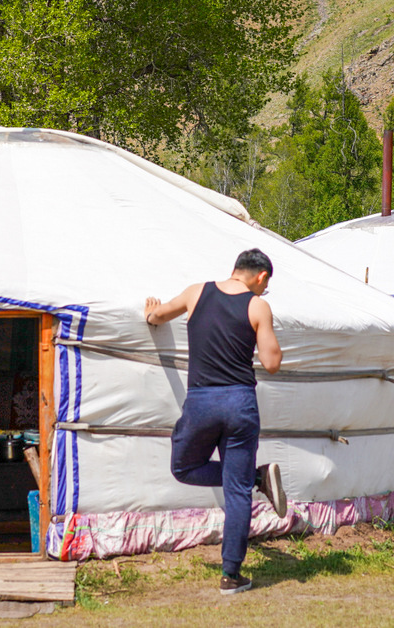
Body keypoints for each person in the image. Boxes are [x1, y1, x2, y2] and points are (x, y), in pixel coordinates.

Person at [144, 247, 287, 595]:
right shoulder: (257, 306)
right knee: (237, 490)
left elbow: (158, 316)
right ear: (261, 276)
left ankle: (253, 478)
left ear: (235, 268)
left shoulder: (197, 292)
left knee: (184, 467)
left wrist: (151, 313)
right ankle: (230, 575)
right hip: (239, 403)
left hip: (202, 402)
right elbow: (271, 362)